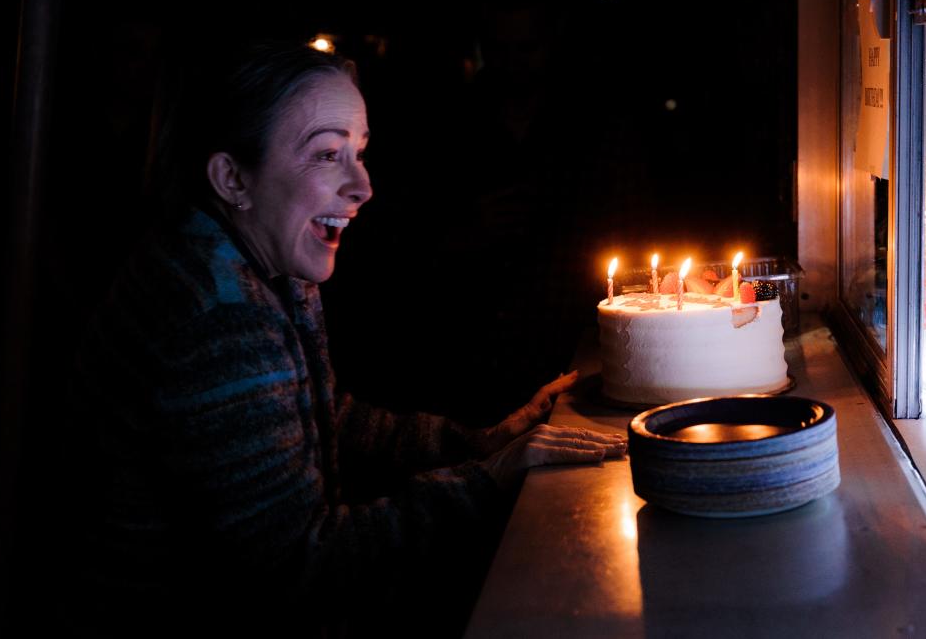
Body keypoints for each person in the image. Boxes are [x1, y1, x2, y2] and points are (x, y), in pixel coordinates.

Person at [65, 42, 625, 637]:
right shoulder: (217, 316)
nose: (362, 186)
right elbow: (299, 568)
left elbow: (323, 414)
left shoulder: (260, 257)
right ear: (232, 177)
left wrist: (477, 442)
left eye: (359, 152)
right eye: (326, 154)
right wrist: (487, 479)